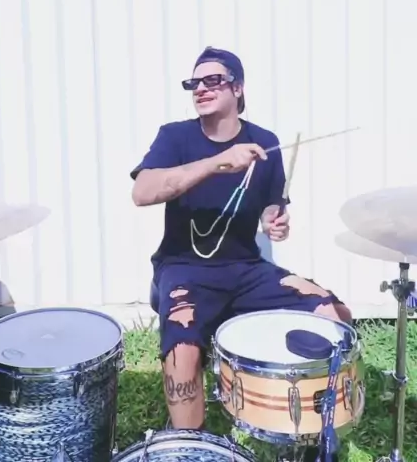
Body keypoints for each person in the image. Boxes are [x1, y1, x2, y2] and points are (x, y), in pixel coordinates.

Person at [130, 46, 352, 432]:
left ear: (238, 87)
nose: (201, 88)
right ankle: (190, 445)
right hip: (184, 267)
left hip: (246, 268)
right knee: (182, 352)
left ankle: (306, 424)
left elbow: (271, 205)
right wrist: (217, 162)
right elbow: (142, 192)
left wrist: (274, 220)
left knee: (334, 314)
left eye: (213, 80)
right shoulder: (175, 137)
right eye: (194, 83)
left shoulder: (264, 142)